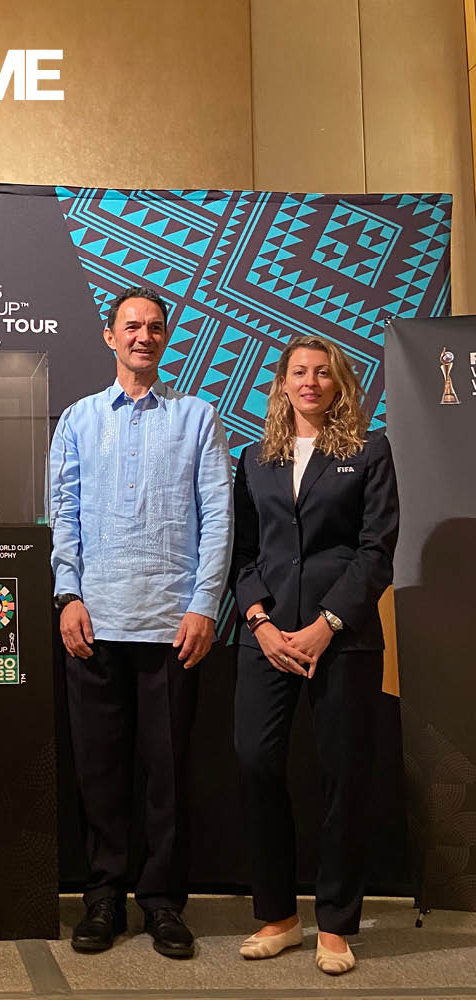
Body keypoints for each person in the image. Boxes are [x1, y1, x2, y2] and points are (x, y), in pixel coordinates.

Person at [50, 286, 233, 957]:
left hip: (170, 625)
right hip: (93, 622)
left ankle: (161, 901)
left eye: (155, 327)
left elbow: (219, 517)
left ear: (165, 338)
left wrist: (204, 603)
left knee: (169, 771)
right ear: (109, 335)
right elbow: (62, 513)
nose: (144, 337)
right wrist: (67, 595)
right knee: (98, 770)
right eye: (132, 326)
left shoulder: (198, 419)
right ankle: (103, 897)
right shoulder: (75, 419)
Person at [231, 335, 398, 975]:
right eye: (299, 371)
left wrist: (327, 623)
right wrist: (262, 622)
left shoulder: (369, 451)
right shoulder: (254, 460)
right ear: (281, 383)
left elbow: (376, 549)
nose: (310, 381)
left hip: (343, 638)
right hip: (265, 638)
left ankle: (335, 925)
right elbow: (242, 555)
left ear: (339, 384)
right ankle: (278, 917)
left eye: (322, 372)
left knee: (344, 776)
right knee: (253, 761)